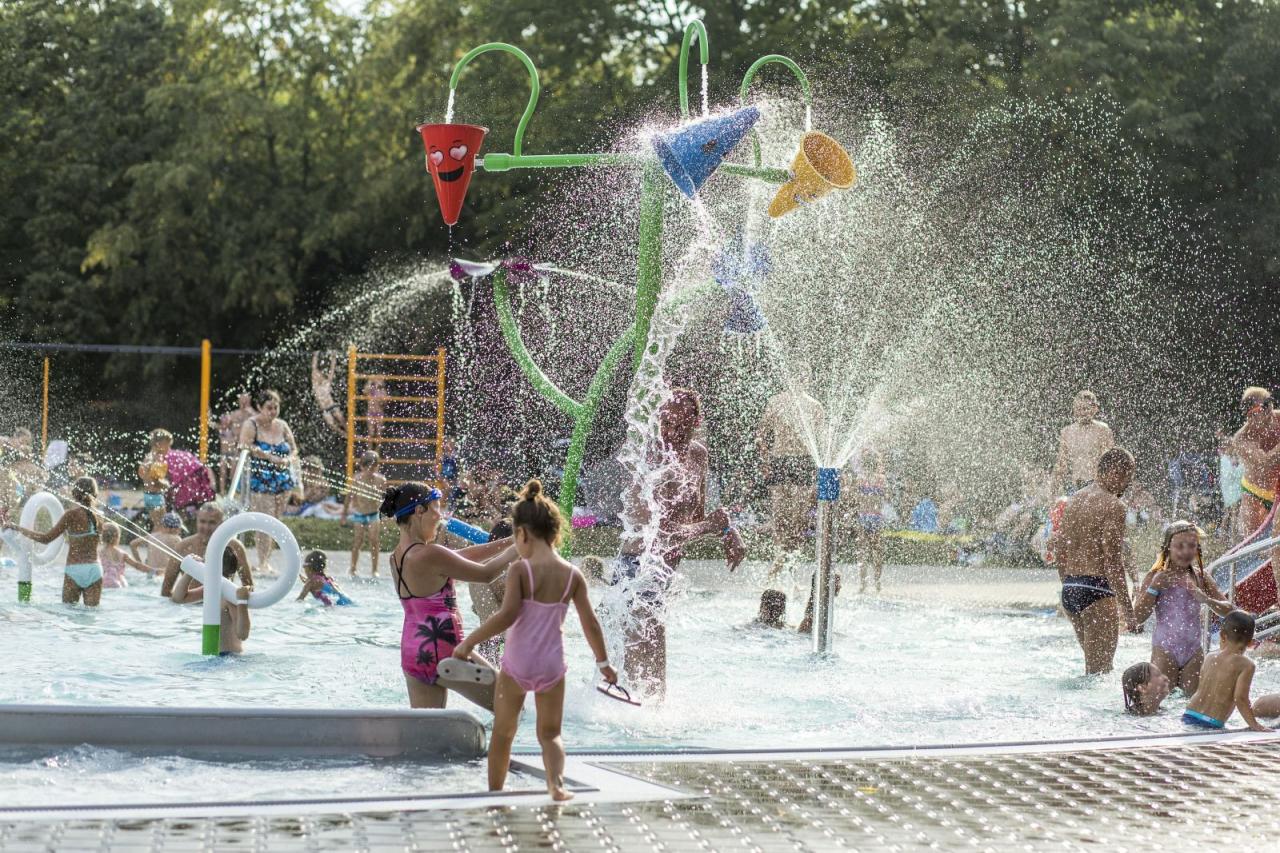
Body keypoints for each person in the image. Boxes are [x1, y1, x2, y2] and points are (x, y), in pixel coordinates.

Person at [451, 479, 618, 800]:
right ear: (556, 532)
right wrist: (603, 662)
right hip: (552, 665)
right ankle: (556, 785)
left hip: (517, 664)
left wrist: (469, 642)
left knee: (503, 732)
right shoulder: (572, 574)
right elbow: (590, 624)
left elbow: (506, 616)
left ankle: (495, 793)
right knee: (551, 734)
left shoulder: (521, 571)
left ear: (523, 534)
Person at [615, 388, 745, 698]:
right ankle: (631, 717)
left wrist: (724, 530)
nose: (671, 432)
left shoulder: (698, 455)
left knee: (657, 652)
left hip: (664, 569)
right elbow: (659, 533)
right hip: (638, 566)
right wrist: (718, 525)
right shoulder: (652, 459)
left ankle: (655, 720)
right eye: (665, 423)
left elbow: (694, 518)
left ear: (696, 422)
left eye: (680, 425)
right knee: (643, 648)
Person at [381, 482, 517, 710]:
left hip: (414, 653)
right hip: (445, 650)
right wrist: (518, 549)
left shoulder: (397, 556)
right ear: (419, 511)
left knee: (428, 733)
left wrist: (509, 542)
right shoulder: (431, 553)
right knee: (512, 707)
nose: (440, 516)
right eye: (437, 508)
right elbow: (486, 575)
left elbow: (461, 556)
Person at [1053, 447, 1138, 674]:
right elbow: (1112, 561)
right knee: (1101, 674)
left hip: (1071, 588)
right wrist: (1128, 611)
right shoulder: (1114, 505)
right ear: (1115, 472)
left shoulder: (1073, 501)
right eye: (1127, 477)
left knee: (1091, 670)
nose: (1126, 485)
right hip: (1097, 589)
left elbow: (1061, 549)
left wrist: (1067, 586)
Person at [1133, 521, 1232, 693]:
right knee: (1161, 705)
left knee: (1190, 706)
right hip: (1165, 650)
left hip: (1193, 652)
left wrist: (1206, 600)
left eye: (1192, 546)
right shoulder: (1156, 576)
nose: (1186, 551)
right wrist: (1153, 588)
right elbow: (1137, 618)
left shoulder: (1201, 577)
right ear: (1167, 548)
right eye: (1179, 546)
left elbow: (1231, 612)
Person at [756, 368, 825, 590]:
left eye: (805, 377)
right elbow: (761, 433)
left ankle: (785, 574)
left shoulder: (815, 406)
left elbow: (822, 443)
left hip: (803, 463)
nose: (801, 380)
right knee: (780, 520)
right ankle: (780, 574)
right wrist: (766, 459)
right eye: (797, 376)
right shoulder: (776, 402)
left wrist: (817, 473)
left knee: (797, 524)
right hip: (780, 461)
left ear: (809, 380)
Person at [5, 477, 104, 605]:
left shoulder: (71, 515)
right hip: (95, 569)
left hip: (74, 569)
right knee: (91, 615)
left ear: (74, 493)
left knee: (69, 612)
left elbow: (46, 539)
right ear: (95, 494)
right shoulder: (99, 517)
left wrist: (18, 528)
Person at [238, 389, 298, 573]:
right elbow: (243, 445)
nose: (273, 411)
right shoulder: (251, 425)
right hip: (260, 480)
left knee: (275, 521)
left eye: (276, 407)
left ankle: (266, 561)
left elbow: (295, 450)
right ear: (259, 407)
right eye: (269, 408)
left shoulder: (282, 425)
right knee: (264, 521)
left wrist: (288, 460)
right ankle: (261, 561)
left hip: (282, 479)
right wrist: (266, 455)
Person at [1227, 387, 1280, 592]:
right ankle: (1251, 590)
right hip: (1255, 492)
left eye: (1269, 404)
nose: (1268, 411)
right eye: (1261, 408)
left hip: (1277, 491)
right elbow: (1265, 463)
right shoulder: (1241, 439)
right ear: (1249, 415)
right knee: (1254, 547)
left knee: (1276, 544)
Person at [1183, 610, 1272, 731]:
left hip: (1189, 713)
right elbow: (1240, 698)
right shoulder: (1246, 665)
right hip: (1212, 722)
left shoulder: (1210, 656)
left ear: (1222, 635)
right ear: (1251, 643)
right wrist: (1254, 724)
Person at [170, 550, 253, 654]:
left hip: (229, 657)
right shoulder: (210, 589)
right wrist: (191, 571)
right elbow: (178, 598)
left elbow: (243, 634)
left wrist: (242, 602)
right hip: (215, 657)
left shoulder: (231, 596)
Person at [162, 502, 252, 598]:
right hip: (189, 608)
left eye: (212, 522)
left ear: (222, 523)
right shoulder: (182, 547)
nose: (206, 527)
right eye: (203, 521)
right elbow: (166, 591)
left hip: (221, 607)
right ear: (197, 521)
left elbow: (249, 587)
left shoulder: (235, 547)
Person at [1050, 390, 1116, 496]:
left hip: (1096, 485)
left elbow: (1109, 462)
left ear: (1095, 409)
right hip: (1075, 485)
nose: (1082, 412)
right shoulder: (1067, 432)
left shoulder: (1103, 430)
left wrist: (1110, 489)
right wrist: (1053, 491)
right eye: (1078, 409)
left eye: (1085, 409)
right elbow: (1061, 464)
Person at [343, 451, 386, 577]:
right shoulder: (357, 479)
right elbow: (349, 497)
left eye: (373, 467)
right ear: (361, 466)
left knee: (374, 541)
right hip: (359, 514)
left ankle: (374, 570)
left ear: (377, 466)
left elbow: (385, 499)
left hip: (374, 514)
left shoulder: (381, 480)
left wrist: (386, 513)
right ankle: (353, 568)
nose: (370, 470)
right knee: (358, 541)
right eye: (367, 467)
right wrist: (344, 515)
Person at [851, 447, 886, 593]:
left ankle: (862, 584)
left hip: (863, 516)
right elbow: (884, 498)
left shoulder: (860, 479)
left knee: (862, 552)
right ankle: (877, 583)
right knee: (877, 551)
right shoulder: (881, 479)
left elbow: (855, 498)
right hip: (876, 517)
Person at [98, 522, 157, 588]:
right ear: (118, 537)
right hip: (120, 583)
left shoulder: (99, 554)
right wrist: (154, 571)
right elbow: (137, 565)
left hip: (105, 582)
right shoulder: (123, 554)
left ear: (102, 537)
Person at [218, 392, 256, 493]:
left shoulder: (252, 414)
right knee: (225, 471)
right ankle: (224, 492)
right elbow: (223, 426)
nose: (243, 403)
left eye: (245, 401)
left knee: (237, 471)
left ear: (249, 401)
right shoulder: (234, 414)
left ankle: (237, 492)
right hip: (234, 446)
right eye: (241, 400)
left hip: (245, 447)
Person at [132, 511, 185, 578]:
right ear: (175, 528)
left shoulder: (152, 536)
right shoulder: (176, 539)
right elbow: (182, 559)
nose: (180, 531)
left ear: (163, 526)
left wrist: (140, 563)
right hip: (163, 573)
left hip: (149, 572)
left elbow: (133, 544)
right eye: (179, 529)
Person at [137, 429, 172, 527]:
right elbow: (155, 481)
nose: (169, 449)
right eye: (167, 445)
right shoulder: (154, 459)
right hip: (154, 496)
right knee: (160, 527)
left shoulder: (149, 457)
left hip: (150, 495)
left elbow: (142, 474)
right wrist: (167, 485)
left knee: (159, 526)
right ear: (159, 444)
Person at [310, 352, 346, 434]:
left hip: (331, 405)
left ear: (321, 376)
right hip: (324, 409)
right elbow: (313, 368)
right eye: (314, 376)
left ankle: (350, 432)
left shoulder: (327, 383)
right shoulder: (315, 386)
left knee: (341, 418)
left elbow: (332, 370)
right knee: (331, 424)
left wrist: (334, 359)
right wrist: (315, 356)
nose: (315, 376)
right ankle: (343, 434)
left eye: (317, 375)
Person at [364, 378, 387, 442]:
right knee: (371, 433)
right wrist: (369, 381)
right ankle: (369, 450)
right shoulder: (371, 390)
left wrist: (382, 400)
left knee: (379, 434)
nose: (379, 381)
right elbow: (365, 391)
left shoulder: (383, 391)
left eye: (380, 380)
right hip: (371, 413)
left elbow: (385, 404)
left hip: (379, 413)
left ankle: (377, 451)